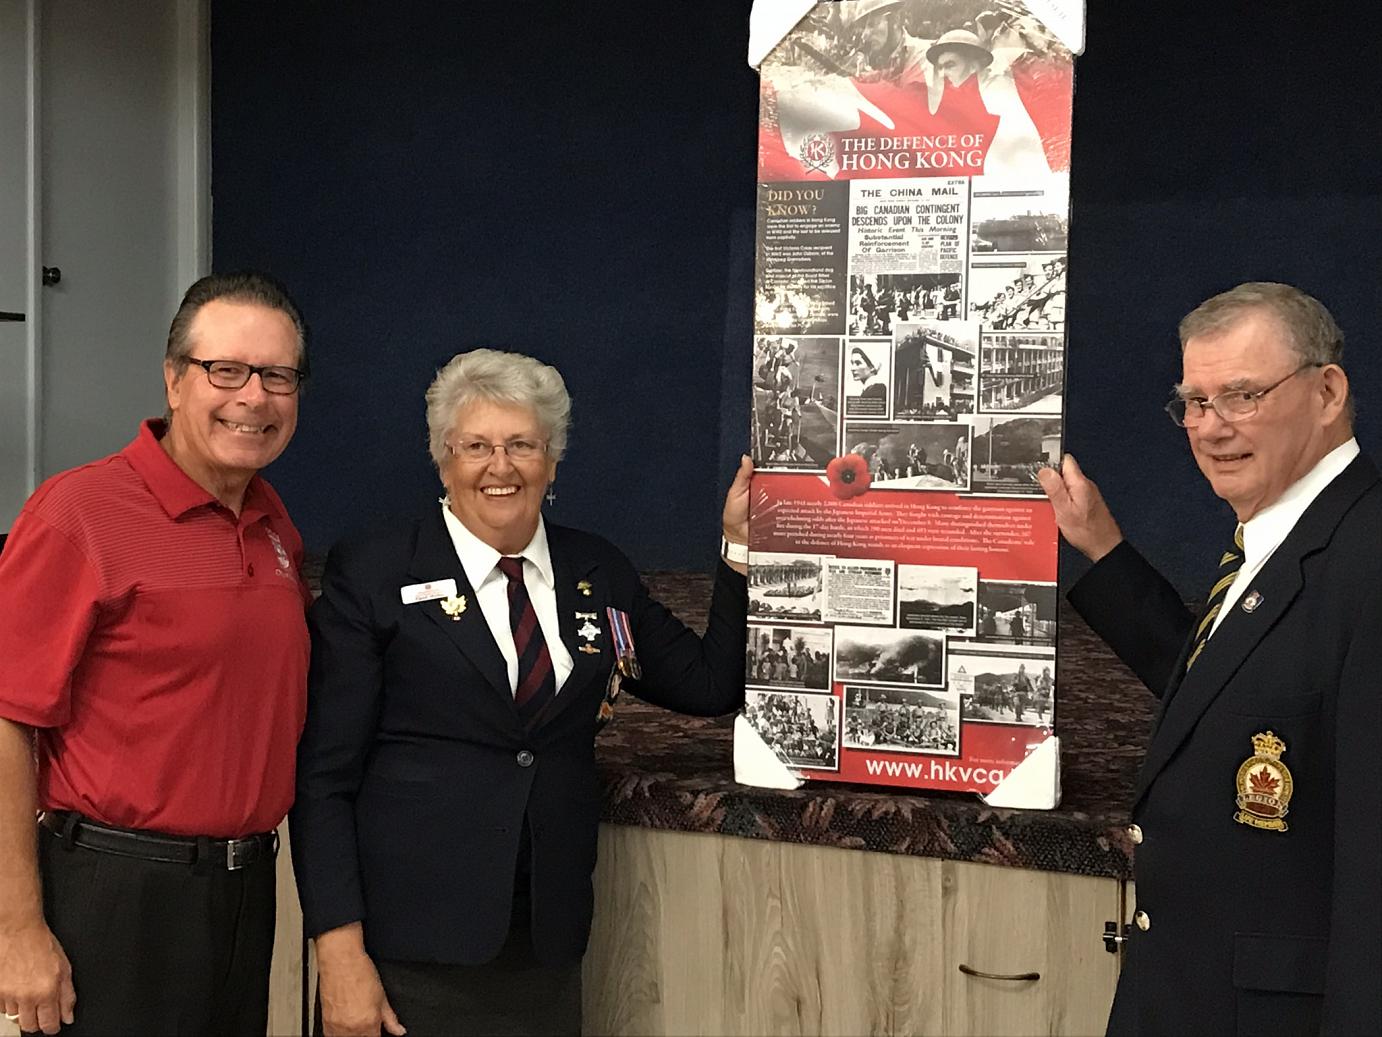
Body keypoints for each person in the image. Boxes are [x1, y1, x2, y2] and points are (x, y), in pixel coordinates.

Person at [290, 349, 751, 1036]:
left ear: (553, 460)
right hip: (408, 949)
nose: (499, 467)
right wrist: (338, 950)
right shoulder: (379, 568)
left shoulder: (596, 568)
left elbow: (710, 682)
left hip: (542, 944)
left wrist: (738, 546)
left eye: (522, 445)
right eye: (476, 445)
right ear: (443, 458)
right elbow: (324, 776)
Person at [1037, 282, 1379, 1035]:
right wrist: (1104, 551)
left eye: (1242, 395)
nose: (1210, 428)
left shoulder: (1366, 557)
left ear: (1327, 391)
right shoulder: (1284, 536)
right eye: (1193, 402)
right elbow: (1229, 693)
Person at [0, 272, 312, 1036]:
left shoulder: (276, 527)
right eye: (226, 370)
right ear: (174, 380)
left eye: (278, 375)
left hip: (246, 890)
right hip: (117, 893)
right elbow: (6, 720)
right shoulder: (80, 513)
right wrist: (16, 929)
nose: (254, 396)